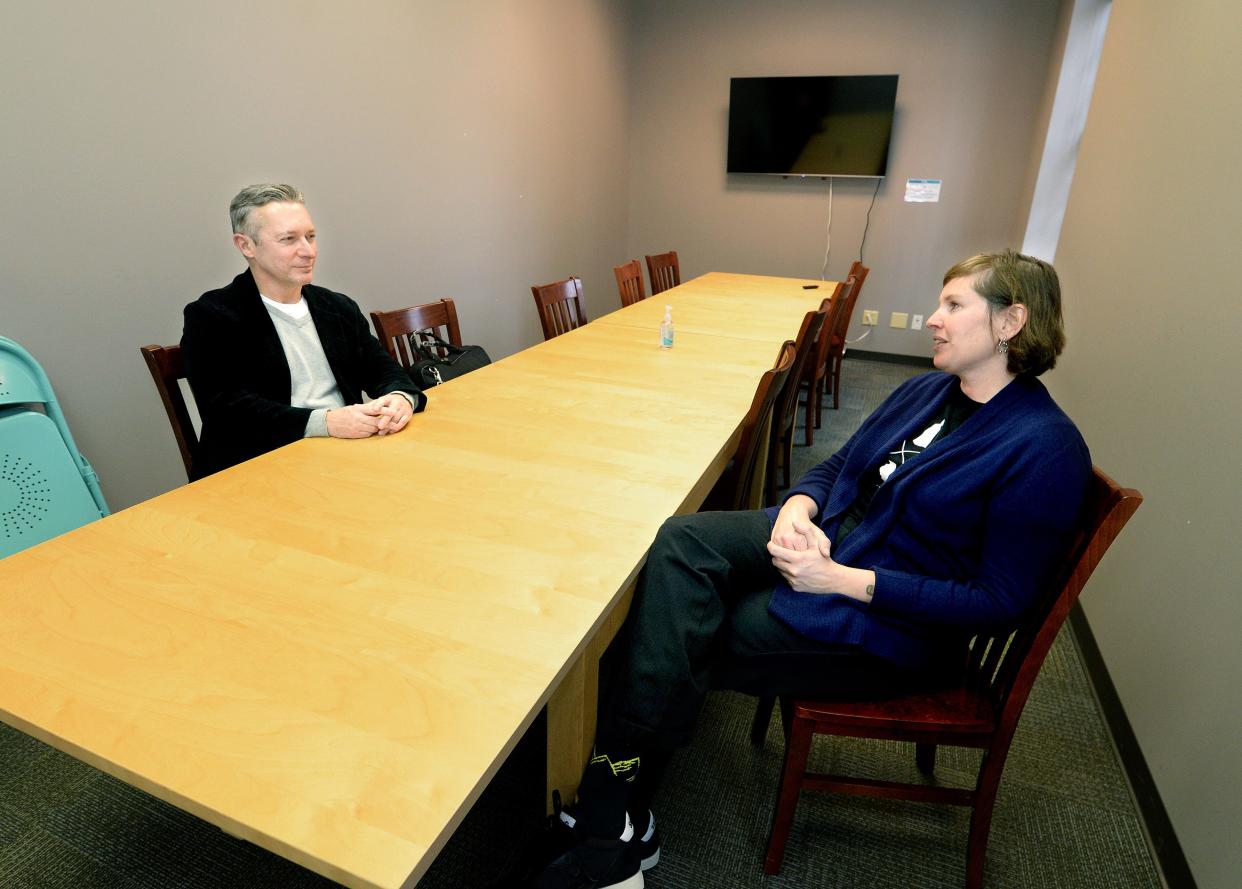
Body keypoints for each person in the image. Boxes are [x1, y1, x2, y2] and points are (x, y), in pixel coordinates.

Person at [522, 251, 1092, 889]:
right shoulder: (929, 390)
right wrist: (799, 507)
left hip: (890, 627)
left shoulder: (1044, 447)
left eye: (955, 306)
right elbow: (841, 466)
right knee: (682, 545)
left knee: (689, 627)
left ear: (1012, 322)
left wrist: (841, 581)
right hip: (840, 539)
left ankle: (612, 819)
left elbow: (998, 602)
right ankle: (623, 812)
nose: (933, 319)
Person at [182, 184, 424, 478]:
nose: (308, 251)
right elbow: (226, 410)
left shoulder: (337, 307)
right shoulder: (212, 315)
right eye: (288, 239)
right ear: (246, 246)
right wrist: (326, 422)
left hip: (346, 456)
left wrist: (400, 398)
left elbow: (383, 370)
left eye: (310, 237)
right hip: (262, 468)